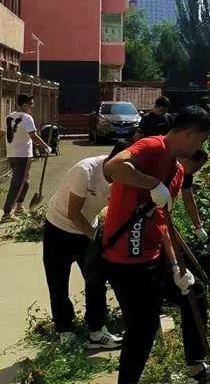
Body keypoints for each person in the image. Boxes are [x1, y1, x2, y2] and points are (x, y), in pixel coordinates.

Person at [102, 106, 210, 384]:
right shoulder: (153, 147)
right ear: (190, 133)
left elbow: (163, 222)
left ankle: (195, 368)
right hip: (124, 260)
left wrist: (177, 267)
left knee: (194, 291)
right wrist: (150, 182)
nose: (199, 147)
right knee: (143, 329)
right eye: (201, 139)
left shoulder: (178, 171)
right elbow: (114, 167)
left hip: (151, 258)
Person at [43, 141, 130, 347]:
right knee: (58, 282)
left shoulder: (125, 178)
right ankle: (65, 330)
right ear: (114, 161)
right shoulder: (85, 171)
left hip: (88, 230)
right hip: (58, 229)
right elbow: (74, 213)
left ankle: (97, 331)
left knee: (96, 280)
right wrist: (97, 237)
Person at [1, 94, 51, 222]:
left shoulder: (9, 116)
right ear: (24, 105)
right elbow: (33, 136)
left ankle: (19, 207)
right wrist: (46, 147)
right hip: (23, 155)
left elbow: (3, 133)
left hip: (12, 154)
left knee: (25, 181)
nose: (32, 107)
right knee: (17, 182)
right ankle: (7, 213)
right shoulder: (27, 118)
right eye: (31, 104)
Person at [181, 150, 209, 241]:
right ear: (187, 160)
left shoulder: (187, 175)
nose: (195, 171)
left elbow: (188, 199)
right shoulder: (167, 167)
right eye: (196, 167)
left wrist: (198, 226)